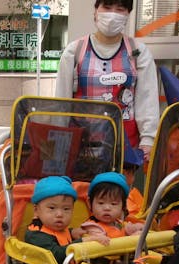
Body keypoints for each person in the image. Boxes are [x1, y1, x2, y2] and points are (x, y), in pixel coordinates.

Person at [54, 0, 160, 161]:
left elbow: (147, 99)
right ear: (96, 11)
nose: (112, 15)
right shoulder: (74, 51)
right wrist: (59, 143)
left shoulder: (138, 52)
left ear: (128, 14)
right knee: (81, 187)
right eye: (107, 7)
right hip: (81, 149)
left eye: (120, 9)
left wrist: (148, 140)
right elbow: (61, 103)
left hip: (125, 152)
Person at [24, 175, 108, 264]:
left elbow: (60, 237)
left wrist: (72, 233)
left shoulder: (58, 228)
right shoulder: (35, 234)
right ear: (36, 211)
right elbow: (56, 255)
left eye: (66, 209)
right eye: (52, 208)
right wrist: (84, 241)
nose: (60, 214)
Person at [72, 171, 143, 243]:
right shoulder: (92, 227)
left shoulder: (118, 223)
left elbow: (129, 228)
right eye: (101, 203)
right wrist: (132, 239)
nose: (107, 208)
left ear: (123, 206)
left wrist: (139, 227)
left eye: (113, 204)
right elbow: (107, 245)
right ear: (90, 203)